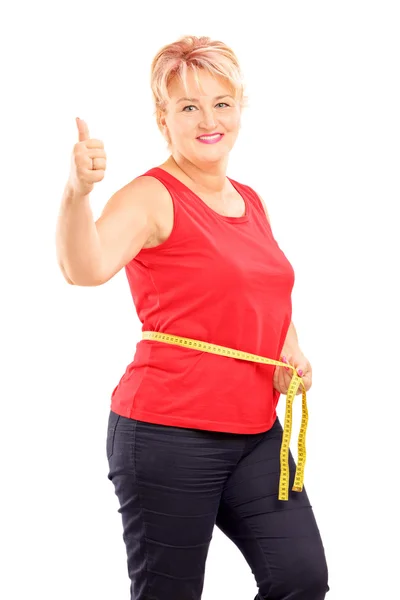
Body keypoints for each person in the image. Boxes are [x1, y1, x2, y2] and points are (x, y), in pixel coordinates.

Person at [56, 35, 329, 600]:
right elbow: (84, 268)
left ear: (238, 111)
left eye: (222, 104)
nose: (209, 120)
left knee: (301, 578)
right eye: (189, 106)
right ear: (163, 118)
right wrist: (77, 192)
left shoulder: (250, 199)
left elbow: (264, 291)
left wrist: (290, 348)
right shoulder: (151, 197)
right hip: (168, 432)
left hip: (256, 432)